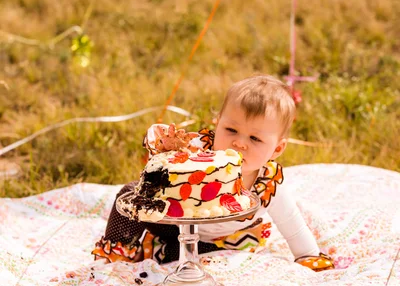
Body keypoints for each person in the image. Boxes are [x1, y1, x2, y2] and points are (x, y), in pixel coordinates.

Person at [93, 75, 334, 271]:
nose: (239, 143)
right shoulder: (198, 151)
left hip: (223, 241)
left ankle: (173, 255)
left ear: (277, 148)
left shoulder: (266, 183)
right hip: (178, 224)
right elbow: (163, 153)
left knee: (196, 260)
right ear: (217, 124)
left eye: (255, 138)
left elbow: (292, 224)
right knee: (129, 194)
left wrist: (307, 256)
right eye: (230, 129)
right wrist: (164, 149)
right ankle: (118, 252)